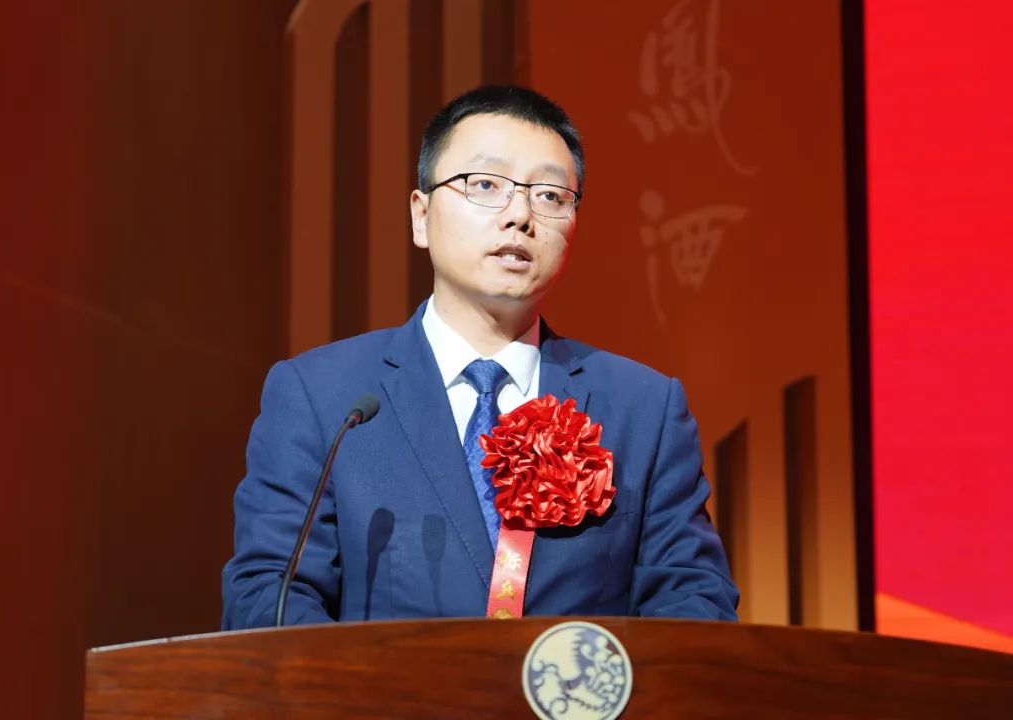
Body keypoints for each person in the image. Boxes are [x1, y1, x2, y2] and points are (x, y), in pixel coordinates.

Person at [221, 85, 739, 628]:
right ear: (421, 215)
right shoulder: (325, 397)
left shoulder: (644, 409)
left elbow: (695, 605)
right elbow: (270, 597)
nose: (520, 215)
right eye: (486, 184)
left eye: (550, 196)